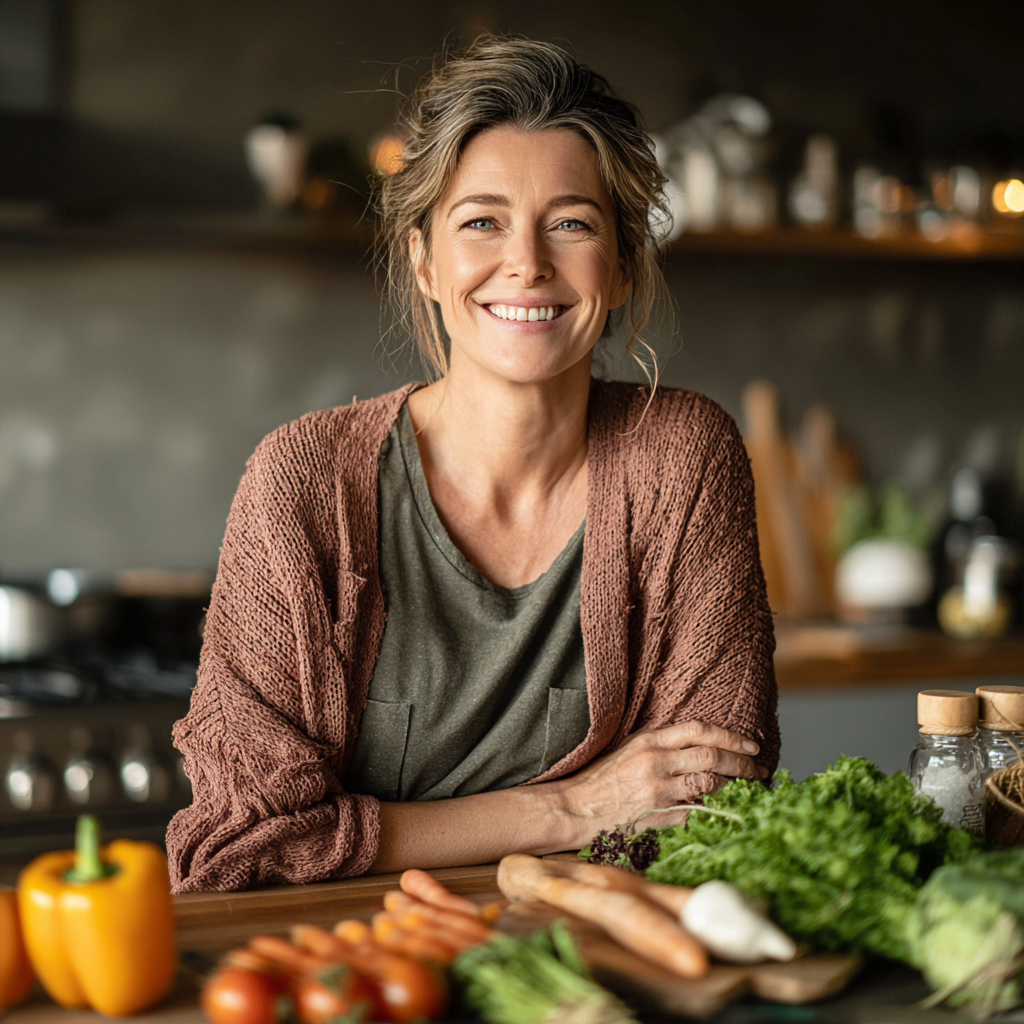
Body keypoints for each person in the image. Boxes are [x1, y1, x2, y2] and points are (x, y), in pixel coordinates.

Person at [167, 36, 778, 893]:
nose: (526, 263)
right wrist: (578, 807)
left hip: (597, 961)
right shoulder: (306, 480)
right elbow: (245, 846)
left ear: (625, 264)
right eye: (482, 221)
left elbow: (714, 798)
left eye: (571, 222)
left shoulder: (682, 457)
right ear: (423, 260)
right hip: (355, 974)